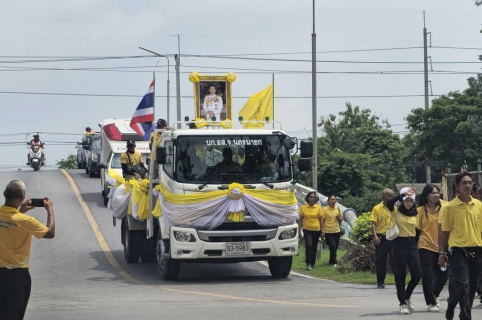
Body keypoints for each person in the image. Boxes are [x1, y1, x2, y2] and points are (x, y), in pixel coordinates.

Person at [0, 180, 55, 320]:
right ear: (22, 197)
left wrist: (20, 211)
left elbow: (9, 221)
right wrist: (50, 211)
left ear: (5, 194)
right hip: (17, 277)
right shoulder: (25, 221)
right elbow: (50, 233)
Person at [439, 171, 482, 320]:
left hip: (476, 250)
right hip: (458, 251)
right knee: (463, 286)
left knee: (470, 288)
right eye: (464, 182)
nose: (468, 185)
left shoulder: (478, 205)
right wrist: (442, 254)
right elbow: (444, 232)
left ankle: (451, 303)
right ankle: (466, 317)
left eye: (470, 182)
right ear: (457, 186)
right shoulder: (449, 207)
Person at [387, 187, 421, 315]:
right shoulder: (396, 211)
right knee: (400, 275)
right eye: (406, 200)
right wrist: (402, 194)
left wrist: (415, 244)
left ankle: (406, 296)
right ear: (402, 201)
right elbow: (390, 202)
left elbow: (417, 231)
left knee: (417, 275)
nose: (408, 203)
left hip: (411, 244)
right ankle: (402, 303)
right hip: (398, 244)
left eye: (410, 201)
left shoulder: (416, 214)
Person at [417, 184, 448, 312]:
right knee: (427, 275)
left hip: (441, 246)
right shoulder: (420, 211)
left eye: (437, 192)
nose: (436, 195)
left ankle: (434, 294)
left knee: (443, 274)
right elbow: (416, 231)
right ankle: (431, 302)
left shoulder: (445, 207)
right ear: (426, 195)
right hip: (425, 245)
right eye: (433, 193)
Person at [370, 188, 394, 289]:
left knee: (396, 260)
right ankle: (380, 282)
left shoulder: (394, 208)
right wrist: (375, 236)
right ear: (384, 196)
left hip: (393, 236)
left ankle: (398, 280)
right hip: (381, 237)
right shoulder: (377, 208)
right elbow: (373, 223)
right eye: (389, 196)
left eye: (392, 196)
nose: (391, 198)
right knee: (381, 261)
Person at [299, 191, 324, 270]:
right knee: (308, 245)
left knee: (314, 247)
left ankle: (312, 263)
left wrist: (322, 230)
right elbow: (300, 220)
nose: (312, 199)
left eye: (314, 197)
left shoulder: (318, 207)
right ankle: (308, 262)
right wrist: (300, 230)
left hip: (316, 229)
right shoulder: (303, 207)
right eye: (311, 197)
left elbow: (321, 220)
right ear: (308, 198)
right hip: (307, 229)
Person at [322, 195, 344, 266]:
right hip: (328, 231)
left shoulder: (338, 209)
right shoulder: (325, 209)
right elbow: (322, 220)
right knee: (332, 246)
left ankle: (331, 261)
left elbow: (341, 219)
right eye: (331, 199)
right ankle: (334, 262)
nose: (333, 201)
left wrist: (338, 217)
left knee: (335, 247)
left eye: (334, 200)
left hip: (337, 230)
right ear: (328, 201)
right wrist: (322, 230)